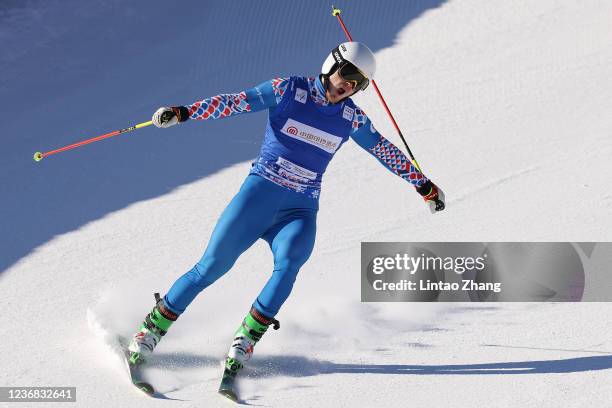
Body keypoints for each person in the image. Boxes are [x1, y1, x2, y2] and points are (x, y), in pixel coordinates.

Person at [127, 42, 445, 399]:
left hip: (300, 210)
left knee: (290, 263)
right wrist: (183, 113)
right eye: (347, 75)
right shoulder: (288, 90)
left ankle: (243, 344)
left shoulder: (351, 118)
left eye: (359, 83)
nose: (349, 86)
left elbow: (383, 149)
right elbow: (235, 102)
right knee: (211, 267)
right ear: (331, 65)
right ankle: (149, 332)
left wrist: (424, 185)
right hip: (258, 196)